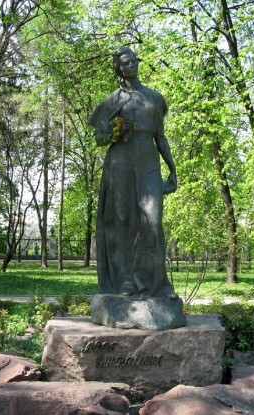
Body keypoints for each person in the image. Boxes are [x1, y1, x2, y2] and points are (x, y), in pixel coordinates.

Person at [89, 46, 178, 299]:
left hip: (148, 160)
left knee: (152, 220)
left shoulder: (154, 98)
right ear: (119, 68)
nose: (131, 66)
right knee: (122, 223)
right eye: (125, 63)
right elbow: (100, 139)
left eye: (133, 61)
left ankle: (157, 285)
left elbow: (161, 136)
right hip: (120, 164)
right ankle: (125, 282)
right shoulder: (112, 101)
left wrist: (172, 169)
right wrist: (117, 131)